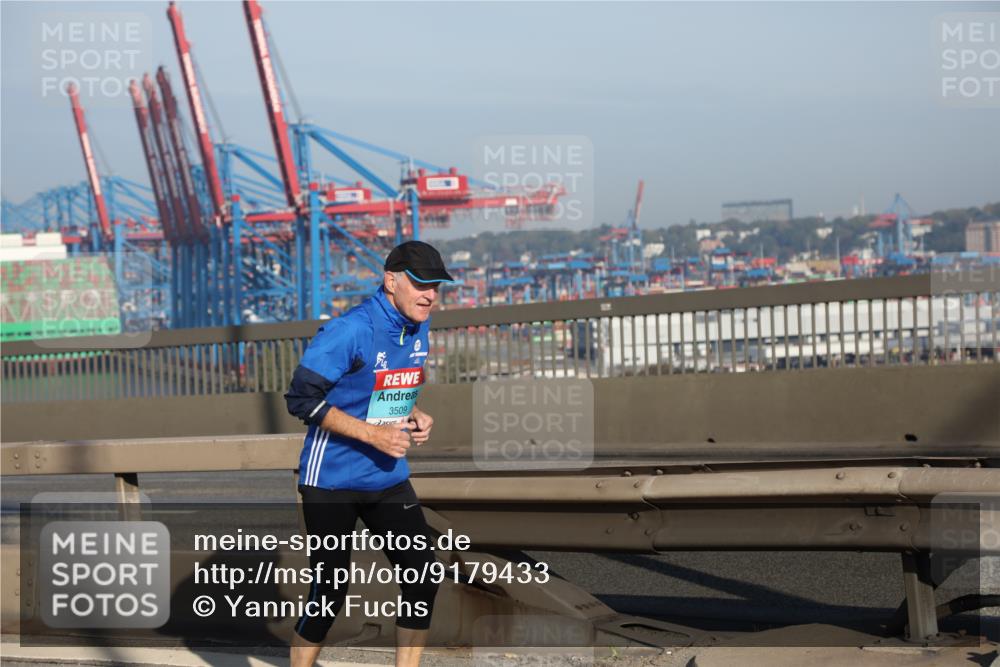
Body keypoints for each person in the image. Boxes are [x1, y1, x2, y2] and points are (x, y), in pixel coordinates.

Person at [283, 241, 456, 667]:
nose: (430, 295)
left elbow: (380, 386)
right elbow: (301, 399)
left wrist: (413, 412)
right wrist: (372, 435)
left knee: (422, 580)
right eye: (420, 284)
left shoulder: (418, 325)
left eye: (436, 286)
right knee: (329, 594)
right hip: (331, 481)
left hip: (386, 478)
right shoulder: (350, 330)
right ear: (391, 280)